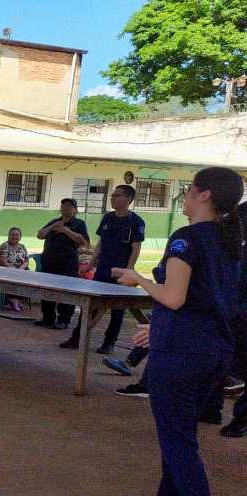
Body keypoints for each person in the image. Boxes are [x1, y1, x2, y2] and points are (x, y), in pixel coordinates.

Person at [112, 167, 243, 496]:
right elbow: (207, 300)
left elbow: (173, 296)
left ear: (204, 195)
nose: (184, 196)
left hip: (182, 354)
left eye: (188, 190)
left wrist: (138, 279)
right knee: (181, 437)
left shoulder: (187, 238)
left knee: (179, 445)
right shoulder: (228, 241)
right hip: (211, 351)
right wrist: (159, 328)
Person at [63, 185, 145, 353]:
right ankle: (77, 338)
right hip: (102, 270)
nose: (113, 198)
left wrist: (128, 273)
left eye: (118, 195)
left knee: (117, 309)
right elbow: (100, 244)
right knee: (91, 305)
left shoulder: (136, 222)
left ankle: (109, 342)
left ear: (128, 199)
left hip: (121, 271)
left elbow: (135, 249)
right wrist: (90, 265)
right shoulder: (108, 218)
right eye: (113, 195)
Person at [34, 198, 89, 332]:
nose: (65, 207)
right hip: (49, 263)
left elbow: (83, 242)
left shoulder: (79, 223)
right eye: (63, 205)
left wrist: (65, 230)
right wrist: (54, 226)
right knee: (47, 291)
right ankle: (47, 318)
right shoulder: (54, 221)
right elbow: (40, 235)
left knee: (66, 292)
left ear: (75, 209)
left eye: (69, 205)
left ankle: (63, 320)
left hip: (67, 264)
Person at [219, 199, 247, 438]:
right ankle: (211, 408)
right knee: (222, 358)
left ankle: (242, 418)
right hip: (233, 305)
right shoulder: (241, 213)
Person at [0, 227, 29, 312]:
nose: (14, 236)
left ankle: (18, 299)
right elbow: (2, 261)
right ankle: (13, 299)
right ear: (9, 236)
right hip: (6, 269)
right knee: (13, 275)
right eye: (12, 234)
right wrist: (13, 269)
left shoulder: (22, 246)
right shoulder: (4, 246)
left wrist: (22, 268)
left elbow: (26, 260)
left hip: (20, 270)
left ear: (20, 237)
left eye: (17, 235)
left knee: (28, 275)